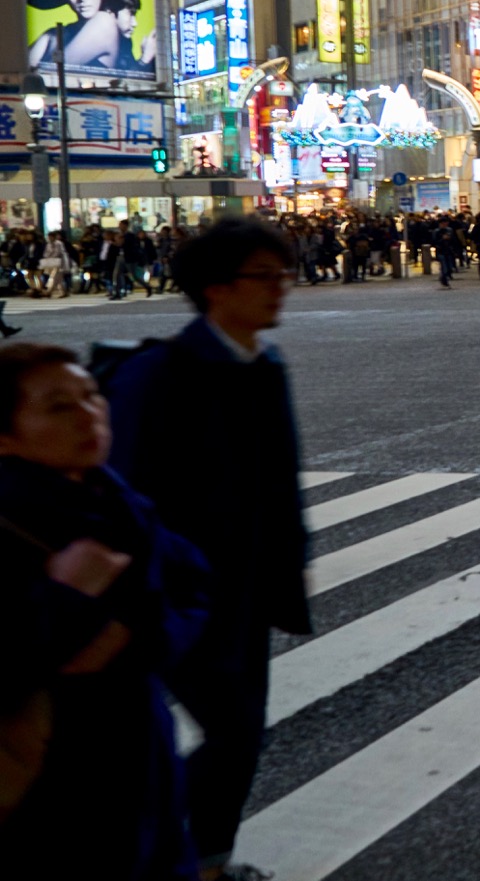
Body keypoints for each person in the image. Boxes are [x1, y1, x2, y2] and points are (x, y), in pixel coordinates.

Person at [108, 222, 310, 881]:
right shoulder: (160, 374)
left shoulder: (264, 362)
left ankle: (203, 861)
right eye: (265, 276)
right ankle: (171, 860)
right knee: (232, 732)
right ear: (217, 288)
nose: (281, 288)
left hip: (247, 588)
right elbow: (128, 486)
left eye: (284, 274)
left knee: (243, 731)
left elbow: (280, 478)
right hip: (182, 590)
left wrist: (289, 562)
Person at [0, 341, 209, 881]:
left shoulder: (116, 500)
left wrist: (140, 639)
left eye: (91, 395)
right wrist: (67, 601)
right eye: (58, 406)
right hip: (55, 780)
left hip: (142, 755)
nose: (88, 413)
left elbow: (193, 584)